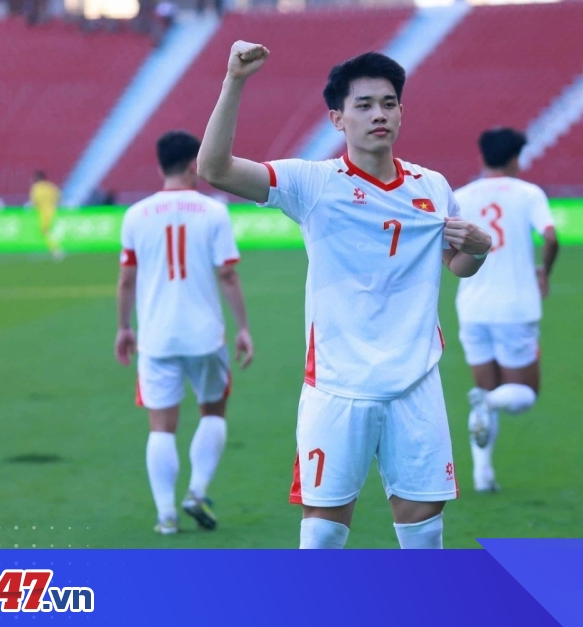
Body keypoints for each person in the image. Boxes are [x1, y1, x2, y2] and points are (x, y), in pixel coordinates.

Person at [198, 43, 492, 549]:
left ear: (400, 112)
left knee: (425, 532)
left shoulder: (432, 185)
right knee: (323, 534)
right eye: (364, 105)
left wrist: (479, 250)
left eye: (389, 103)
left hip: (415, 383)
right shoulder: (313, 182)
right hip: (338, 385)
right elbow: (215, 169)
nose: (379, 114)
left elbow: (457, 265)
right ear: (337, 118)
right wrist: (235, 80)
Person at [114, 131, 254, 534]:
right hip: (205, 335)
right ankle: (196, 490)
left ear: (161, 165)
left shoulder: (136, 215)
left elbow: (127, 279)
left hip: (156, 336)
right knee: (213, 411)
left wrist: (124, 328)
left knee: (161, 426)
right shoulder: (213, 212)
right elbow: (227, 274)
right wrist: (243, 327)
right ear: (195, 163)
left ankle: (166, 515)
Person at [454, 127, 559, 493]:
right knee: (523, 395)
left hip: (472, 307)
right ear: (516, 158)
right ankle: (487, 401)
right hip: (515, 307)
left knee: (485, 393)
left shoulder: (460, 197)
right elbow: (550, 236)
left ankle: (482, 475)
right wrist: (544, 272)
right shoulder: (528, 193)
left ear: (481, 156)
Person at [29, 171, 63, 260]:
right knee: (46, 231)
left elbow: (34, 201)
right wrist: (55, 204)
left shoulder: (36, 188)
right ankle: (54, 249)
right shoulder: (50, 186)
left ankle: (56, 250)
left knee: (45, 231)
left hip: (43, 212)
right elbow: (59, 196)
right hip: (53, 211)